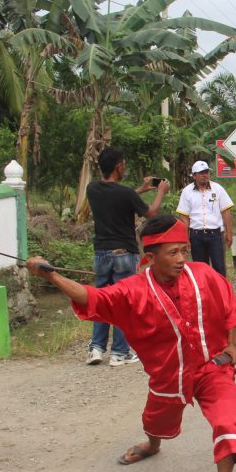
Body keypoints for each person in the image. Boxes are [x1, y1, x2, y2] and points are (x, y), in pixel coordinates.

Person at [26, 214, 236, 472]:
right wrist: (53, 278)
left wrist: (232, 345)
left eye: (185, 250)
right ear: (150, 257)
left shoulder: (204, 274)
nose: (182, 259)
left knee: (230, 421)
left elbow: (228, 305)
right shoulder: (132, 290)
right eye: (173, 253)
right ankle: (153, 445)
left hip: (213, 369)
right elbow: (93, 297)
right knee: (155, 420)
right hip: (169, 375)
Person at [85, 146, 169, 366]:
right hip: (124, 253)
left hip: (101, 253)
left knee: (101, 301)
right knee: (124, 302)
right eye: (123, 164)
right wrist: (160, 192)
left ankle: (96, 348)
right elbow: (150, 214)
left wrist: (139, 190)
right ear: (118, 166)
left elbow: (117, 196)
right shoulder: (125, 194)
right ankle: (119, 352)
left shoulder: (92, 188)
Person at [176, 160, 234, 277]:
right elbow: (184, 217)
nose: (205, 175)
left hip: (215, 235)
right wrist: (185, 238)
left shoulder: (217, 189)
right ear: (194, 175)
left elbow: (225, 212)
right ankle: (204, 294)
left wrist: (229, 233)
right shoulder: (187, 192)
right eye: (201, 173)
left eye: (206, 172)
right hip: (196, 235)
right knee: (200, 269)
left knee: (219, 267)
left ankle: (221, 293)